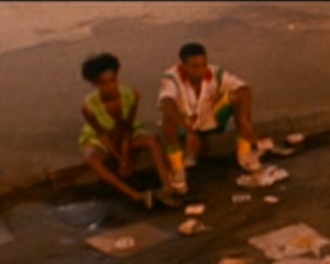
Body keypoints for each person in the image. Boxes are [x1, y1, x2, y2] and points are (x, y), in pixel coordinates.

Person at [157, 42, 265, 193]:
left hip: (210, 119)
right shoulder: (172, 78)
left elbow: (244, 89)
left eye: (203, 65)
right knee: (167, 119)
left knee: (237, 96)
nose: (201, 71)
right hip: (186, 124)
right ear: (183, 66)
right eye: (195, 67)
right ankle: (178, 171)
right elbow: (165, 103)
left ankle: (245, 154)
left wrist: (243, 121)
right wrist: (186, 130)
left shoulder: (215, 73)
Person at [79, 52, 178, 209]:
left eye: (113, 81)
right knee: (92, 159)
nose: (110, 87)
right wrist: (120, 160)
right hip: (101, 137)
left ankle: (168, 187)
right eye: (103, 83)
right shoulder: (88, 107)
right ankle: (136, 196)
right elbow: (102, 135)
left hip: (126, 133)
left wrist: (126, 158)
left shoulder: (131, 95)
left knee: (153, 140)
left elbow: (127, 128)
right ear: (95, 85)